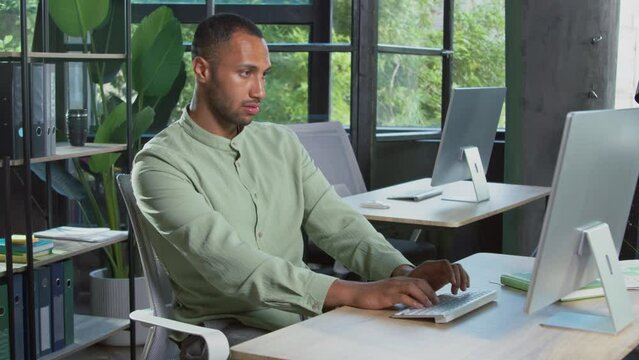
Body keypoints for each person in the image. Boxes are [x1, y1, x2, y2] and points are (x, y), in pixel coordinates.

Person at [132, 12, 470, 359]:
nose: (259, 90)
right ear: (202, 70)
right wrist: (357, 292)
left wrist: (403, 273)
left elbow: (339, 224)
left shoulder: (281, 143)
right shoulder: (159, 165)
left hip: (303, 317)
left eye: (263, 75)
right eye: (245, 73)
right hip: (226, 330)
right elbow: (235, 267)